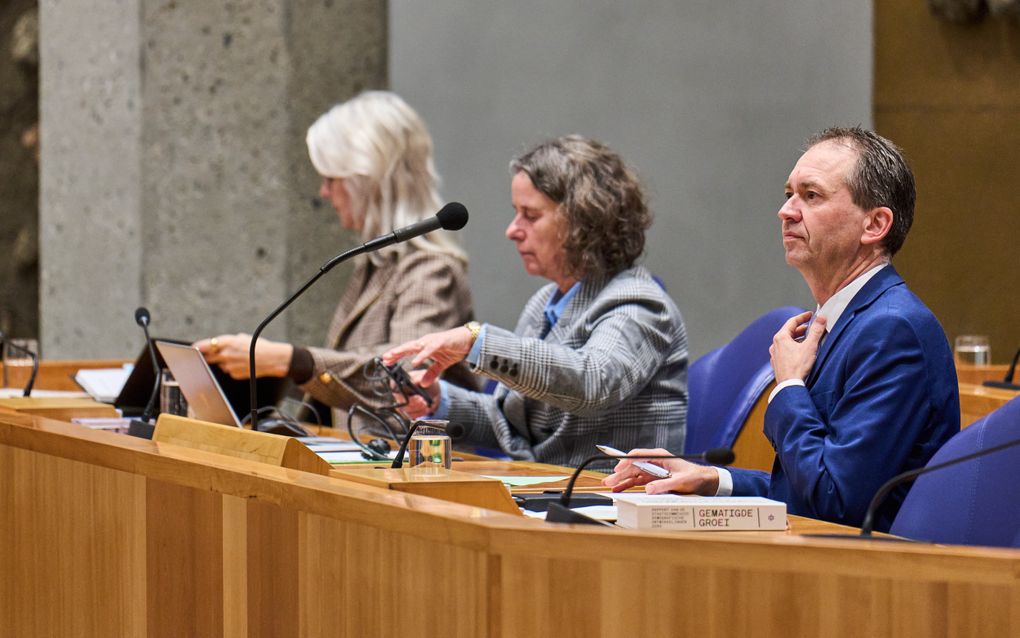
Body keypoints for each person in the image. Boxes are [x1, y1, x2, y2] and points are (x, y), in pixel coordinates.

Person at [604, 127, 960, 532]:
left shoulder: (893, 331)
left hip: (869, 580)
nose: (786, 210)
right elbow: (811, 485)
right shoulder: (853, 318)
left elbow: (835, 500)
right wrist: (712, 479)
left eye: (811, 195)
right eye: (788, 194)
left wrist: (788, 387)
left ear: (874, 224)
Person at [382, 135, 688, 467]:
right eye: (516, 213)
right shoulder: (546, 302)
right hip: (546, 497)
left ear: (583, 222)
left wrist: (478, 342)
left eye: (530, 215)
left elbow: (594, 383)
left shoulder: (639, 303)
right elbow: (513, 426)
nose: (512, 230)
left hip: (612, 505)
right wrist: (439, 403)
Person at [196, 91, 475, 417]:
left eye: (331, 178)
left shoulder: (429, 270)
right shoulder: (375, 267)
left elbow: (408, 374)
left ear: (366, 181)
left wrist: (291, 361)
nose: (323, 191)